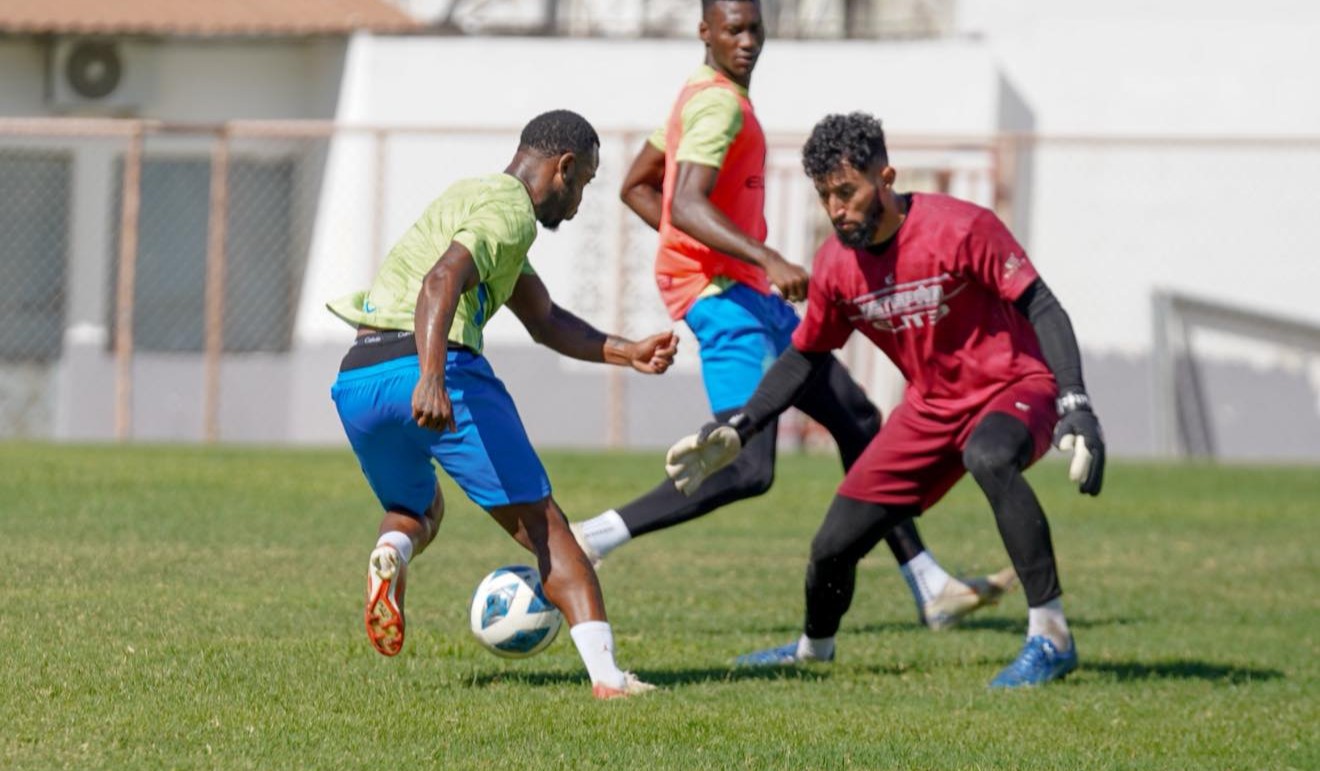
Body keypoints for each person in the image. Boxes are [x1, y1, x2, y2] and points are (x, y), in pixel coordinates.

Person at [570, 0, 1015, 631]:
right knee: (747, 467)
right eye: (733, 29)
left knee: (855, 416)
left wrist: (696, 250)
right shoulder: (718, 104)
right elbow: (688, 201)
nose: (747, 40)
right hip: (725, 298)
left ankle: (929, 584)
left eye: (754, 27)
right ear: (705, 32)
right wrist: (764, 257)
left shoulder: (699, 93)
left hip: (747, 292)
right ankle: (596, 536)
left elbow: (640, 184)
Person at [666, 111, 1106, 688]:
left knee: (989, 457)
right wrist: (742, 426)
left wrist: (1077, 402)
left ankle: (1051, 636)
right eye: (826, 196)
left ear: (886, 176)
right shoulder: (836, 264)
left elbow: (1043, 306)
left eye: (847, 190)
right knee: (831, 546)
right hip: (930, 409)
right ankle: (812, 652)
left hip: (1015, 386)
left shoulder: (961, 227)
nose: (837, 208)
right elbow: (805, 355)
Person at [327, 110, 677, 700]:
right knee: (548, 531)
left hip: (360, 380)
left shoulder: (472, 199)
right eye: (585, 183)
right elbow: (441, 282)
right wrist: (432, 379)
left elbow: (544, 319)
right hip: (431, 368)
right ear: (563, 168)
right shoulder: (511, 212)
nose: (580, 201)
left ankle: (391, 552)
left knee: (417, 509)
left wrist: (628, 351)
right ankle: (609, 679)